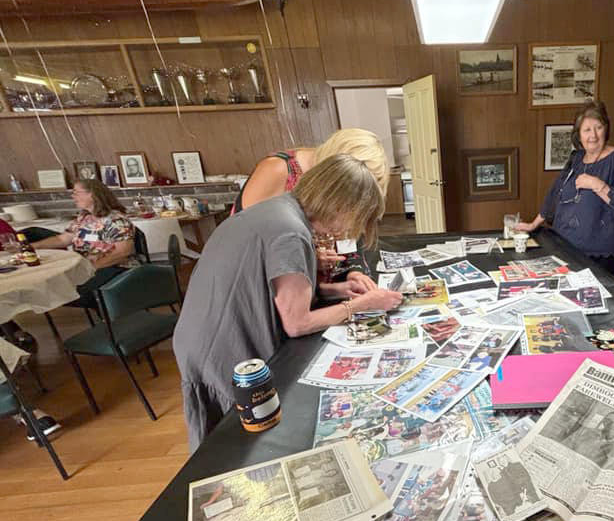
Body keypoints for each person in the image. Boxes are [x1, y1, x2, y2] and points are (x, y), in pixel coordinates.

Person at [173, 155, 404, 451]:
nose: (350, 230)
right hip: (219, 347)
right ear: (341, 206)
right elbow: (297, 323)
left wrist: (339, 290)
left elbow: (278, 291)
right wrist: (362, 305)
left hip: (199, 333)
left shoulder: (281, 210)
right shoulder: (291, 232)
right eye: (356, 219)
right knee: (234, 443)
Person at [232, 129, 390, 292]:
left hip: (318, 290)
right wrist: (310, 258)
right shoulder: (277, 170)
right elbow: (248, 247)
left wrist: (354, 271)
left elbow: (348, 235)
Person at [514, 101, 614, 275]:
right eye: (587, 130)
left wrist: (597, 185)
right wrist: (533, 224)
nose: (593, 135)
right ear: (578, 134)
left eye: (598, 127)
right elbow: (555, 193)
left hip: (599, 254)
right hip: (565, 247)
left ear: (606, 129)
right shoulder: (576, 158)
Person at [33, 179, 138, 303]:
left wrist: (91, 267)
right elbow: (63, 239)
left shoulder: (116, 220)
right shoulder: (84, 217)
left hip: (114, 268)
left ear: (92, 194)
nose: (73, 196)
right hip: (85, 266)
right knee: (51, 284)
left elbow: (123, 252)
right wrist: (32, 246)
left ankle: (109, 312)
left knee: (69, 290)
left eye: (76, 192)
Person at [562, 411, 614, 475]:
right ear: (603, 422)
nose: (611, 426)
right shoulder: (583, 432)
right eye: (608, 421)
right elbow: (561, 449)